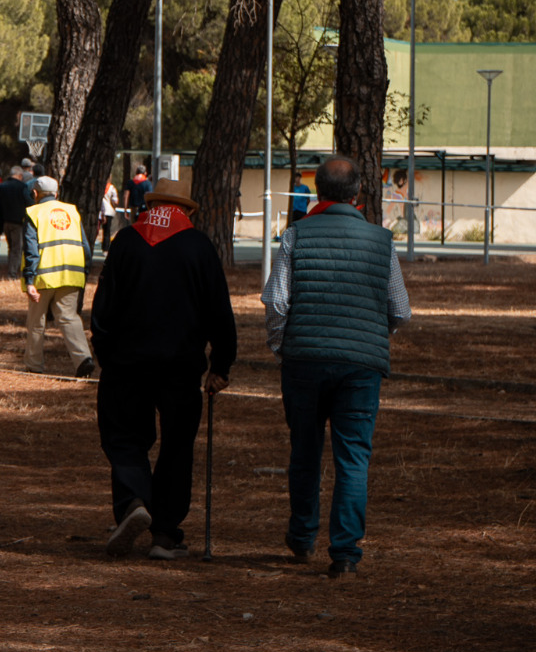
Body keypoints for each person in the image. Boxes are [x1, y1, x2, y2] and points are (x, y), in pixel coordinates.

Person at [262, 155, 411, 578]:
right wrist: (372, 337)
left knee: (304, 450)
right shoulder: (382, 241)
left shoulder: (295, 235)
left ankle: (302, 536)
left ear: (318, 190)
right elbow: (399, 309)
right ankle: (345, 552)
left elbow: (277, 302)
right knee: (353, 457)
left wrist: (282, 347)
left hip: (304, 361)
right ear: (358, 193)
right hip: (360, 367)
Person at [90, 175, 237, 558]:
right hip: (181, 365)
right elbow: (219, 311)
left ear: (151, 207)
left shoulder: (125, 241)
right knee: (177, 445)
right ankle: (165, 534)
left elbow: (102, 307)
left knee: (124, 438)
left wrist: (106, 354)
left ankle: (134, 502)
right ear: (186, 211)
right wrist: (220, 364)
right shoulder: (199, 245)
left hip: (125, 362)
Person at [22, 176, 93, 378]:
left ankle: (34, 364)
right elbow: (85, 246)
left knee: (37, 321)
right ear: (57, 193)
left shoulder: (33, 213)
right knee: (69, 317)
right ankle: (83, 358)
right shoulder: (72, 211)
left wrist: (29, 280)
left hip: (43, 277)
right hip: (71, 274)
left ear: (35, 194)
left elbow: (31, 250)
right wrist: (84, 272)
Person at [0, 166, 30, 283]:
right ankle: (12, 273)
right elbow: (29, 202)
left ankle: (11, 269)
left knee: (11, 247)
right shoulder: (23, 187)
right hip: (18, 222)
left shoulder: (1, 187)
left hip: (5, 221)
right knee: (16, 248)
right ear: (20, 176)